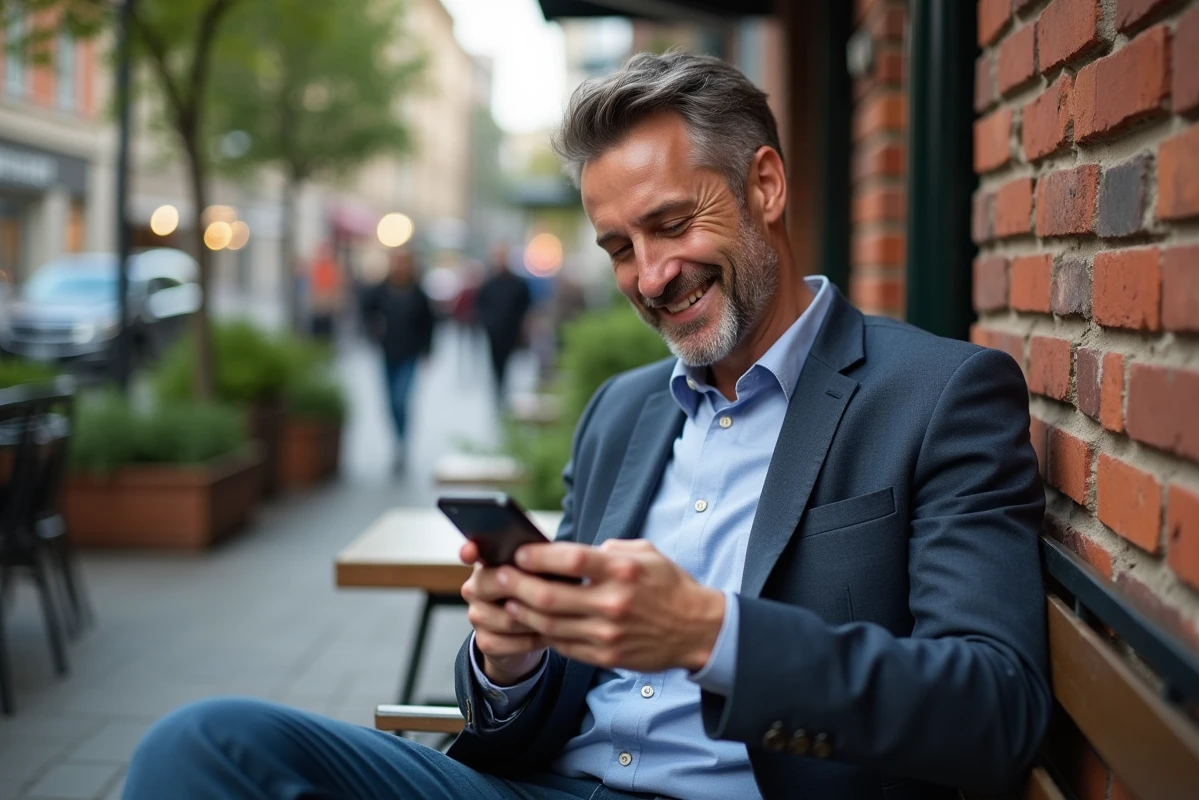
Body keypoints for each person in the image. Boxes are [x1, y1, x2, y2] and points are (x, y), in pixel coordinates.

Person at [125, 52, 1049, 800]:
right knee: (206, 746)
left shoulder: (938, 394)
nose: (650, 277)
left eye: (672, 224)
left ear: (764, 185)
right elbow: (534, 707)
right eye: (618, 248)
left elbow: (997, 710)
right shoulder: (623, 411)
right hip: (548, 785)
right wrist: (510, 659)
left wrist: (709, 634)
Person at [360, 248, 434, 471]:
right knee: (390, 400)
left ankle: (402, 442)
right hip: (388, 352)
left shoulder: (418, 292)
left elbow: (429, 322)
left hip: (410, 353)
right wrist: (372, 330)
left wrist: (427, 349)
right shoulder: (382, 290)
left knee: (402, 398)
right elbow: (365, 309)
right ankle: (396, 439)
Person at [476, 243, 532, 404]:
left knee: (509, 363)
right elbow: (481, 305)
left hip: (512, 331)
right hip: (494, 332)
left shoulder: (518, 284)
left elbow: (525, 306)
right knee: (496, 363)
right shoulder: (489, 283)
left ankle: (505, 390)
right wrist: (488, 322)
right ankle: (498, 389)